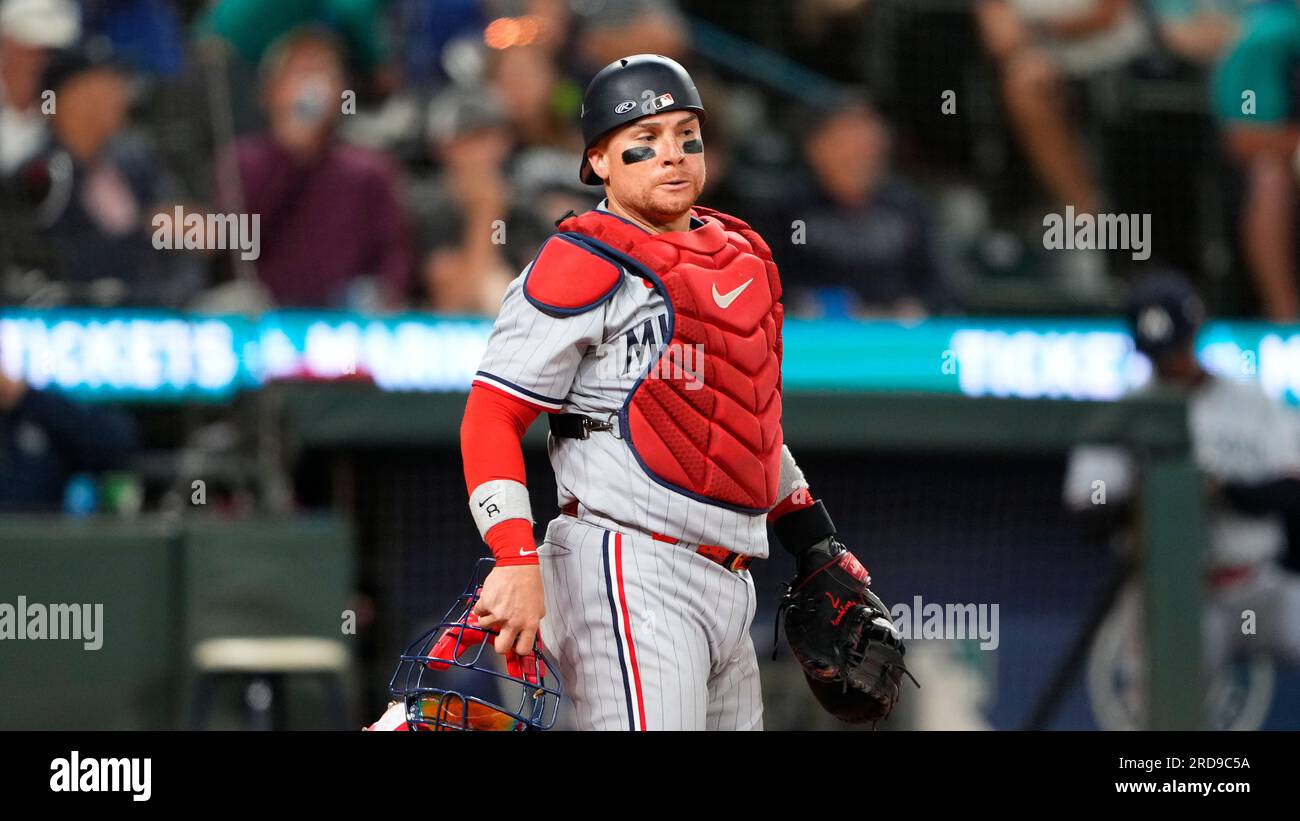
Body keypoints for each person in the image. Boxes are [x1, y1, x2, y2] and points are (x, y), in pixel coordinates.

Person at [450, 54, 909, 730]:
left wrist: (813, 539)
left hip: (730, 580)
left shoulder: (740, 254)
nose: (672, 154)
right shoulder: (584, 259)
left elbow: (745, 424)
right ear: (600, 161)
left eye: (686, 136)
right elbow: (491, 414)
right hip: (627, 566)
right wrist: (515, 556)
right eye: (646, 140)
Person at [1064, 272, 1300, 679]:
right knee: (1165, 702)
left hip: (1258, 587)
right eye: (1160, 354)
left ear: (1196, 332)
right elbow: (1088, 511)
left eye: (1176, 348)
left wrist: (1223, 489)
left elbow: (1291, 493)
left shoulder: (1253, 401)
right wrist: (1150, 496)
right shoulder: (1122, 415)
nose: (1170, 362)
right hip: (1177, 597)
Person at [216, 27, 412, 309]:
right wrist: (291, 153)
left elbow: (394, 254)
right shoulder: (242, 162)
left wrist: (386, 294)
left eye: (323, 73)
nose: (312, 86)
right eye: (300, 73)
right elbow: (236, 247)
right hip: (265, 312)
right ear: (271, 91)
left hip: (345, 317)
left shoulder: (370, 169)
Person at [771, 95, 950, 319]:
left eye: (867, 147)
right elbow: (770, 285)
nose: (860, 155)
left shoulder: (909, 208)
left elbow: (942, 289)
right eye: (846, 145)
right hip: (816, 339)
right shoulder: (788, 209)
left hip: (896, 337)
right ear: (815, 149)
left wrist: (917, 307)